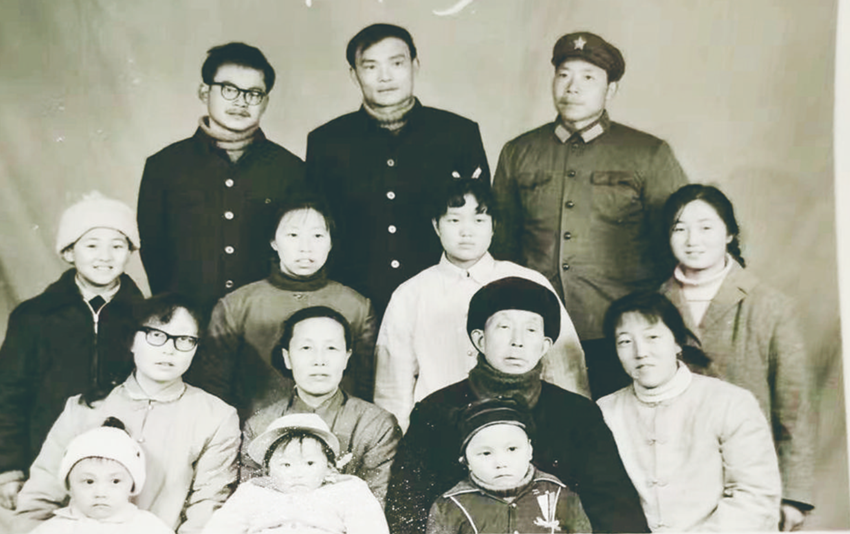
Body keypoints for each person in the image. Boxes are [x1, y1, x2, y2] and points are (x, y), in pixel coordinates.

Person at [491, 31, 689, 399]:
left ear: (611, 89)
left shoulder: (648, 153)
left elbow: (674, 244)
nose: (573, 87)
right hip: (538, 331)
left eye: (588, 77)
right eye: (564, 75)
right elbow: (502, 246)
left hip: (618, 331)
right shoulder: (518, 152)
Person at [385, 277, 648, 534]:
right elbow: (407, 506)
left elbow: (614, 508)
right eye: (504, 327)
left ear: (545, 345)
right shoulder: (436, 410)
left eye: (531, 330)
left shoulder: (578, 414)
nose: (517, 341)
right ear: (479, 340)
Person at [374, 176, 588, 432]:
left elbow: (565, 370)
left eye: (479, 220)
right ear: (436, 225)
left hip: (523, 429)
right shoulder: (410, 294)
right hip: (440, 429)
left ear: (493, 226)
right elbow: (392, 388)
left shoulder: (530, 283)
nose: (467, 232)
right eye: (454, 220)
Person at [14, 294, 240, 534]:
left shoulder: (217, 417)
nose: (169, 350)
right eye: (156, 335)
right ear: (131, 340)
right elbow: (38, 499)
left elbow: (207, 510)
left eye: (185, 339)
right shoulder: (83, 407)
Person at [306, 23, 490, 315]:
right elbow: (317, 228)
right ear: (354, 75)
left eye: (396, 63)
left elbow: (482, 223)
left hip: (442, 299)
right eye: (371, 66)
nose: (385, 76)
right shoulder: (327, 142)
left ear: (415, 66)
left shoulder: (458, 134)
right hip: (354, 302)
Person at [659, 184, 814, 530]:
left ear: (729, 233)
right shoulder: (653, 305)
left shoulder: (771, 306)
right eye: (679, 228)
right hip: (674, 480)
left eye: (706, 227)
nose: (692, 240)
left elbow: (794, 409)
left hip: (750, 478)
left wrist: (793, 496)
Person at [0, 192, 143, 513]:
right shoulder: (34, 316)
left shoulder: (146, 317)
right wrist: (8, 467)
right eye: (91, 245)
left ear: (130, 252)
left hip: (120, 465)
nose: (105, 256)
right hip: (43, 460)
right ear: (68, 252)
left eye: (117, 246)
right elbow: (8, 394)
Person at [138, 42, 305, 314]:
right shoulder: (164, 166)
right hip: (189, 321)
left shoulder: (291, 169)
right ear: (204, 92)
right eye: (229, 89)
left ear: (265, 102)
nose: (241, 101)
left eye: (253, 93)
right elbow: (154, 253)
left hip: (266, 320)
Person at [598, 291, 782, 531]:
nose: (640, 352)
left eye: (652, 337)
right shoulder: (604, 411)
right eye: (625, 341)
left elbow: (755, 497)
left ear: (677, 342)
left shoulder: (730, 402)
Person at [198, 197, 376, 414]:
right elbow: (214, 389)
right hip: (255, 428)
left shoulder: (357, 306)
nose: (305, 248)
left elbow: (366, 388)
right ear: (273, 241)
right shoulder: (235, 305)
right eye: (293, 235)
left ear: (331, 242)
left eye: (317, 236)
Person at [241, 307, 400, 505]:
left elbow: (376, 506)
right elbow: (249, 502)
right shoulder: (259, 425)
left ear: (346, 357)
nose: (319, 361)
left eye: (331, 348)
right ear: (287, 358)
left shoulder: (376, 425)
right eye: (306, 348)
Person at [426, 397, 590, 534]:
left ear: (530, 450)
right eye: (486, 453)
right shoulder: (450, 506)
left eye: (512, 449)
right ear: (465, 460)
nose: (501, 463)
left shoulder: (560, 496)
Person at [203, 413, 389, 534]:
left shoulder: (348, 490)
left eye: (310, 463)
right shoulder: (253, 492)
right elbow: (220, 529)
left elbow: (370, 529)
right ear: (268, 470)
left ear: (329, 466)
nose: (297, 473)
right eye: (286, 465)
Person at [30, 418, 173, 534]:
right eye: (89, 482)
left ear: (132, 485)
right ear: (69, 486)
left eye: (115, 481)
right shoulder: (55, 529)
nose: (100, 493)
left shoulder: (148, 527)